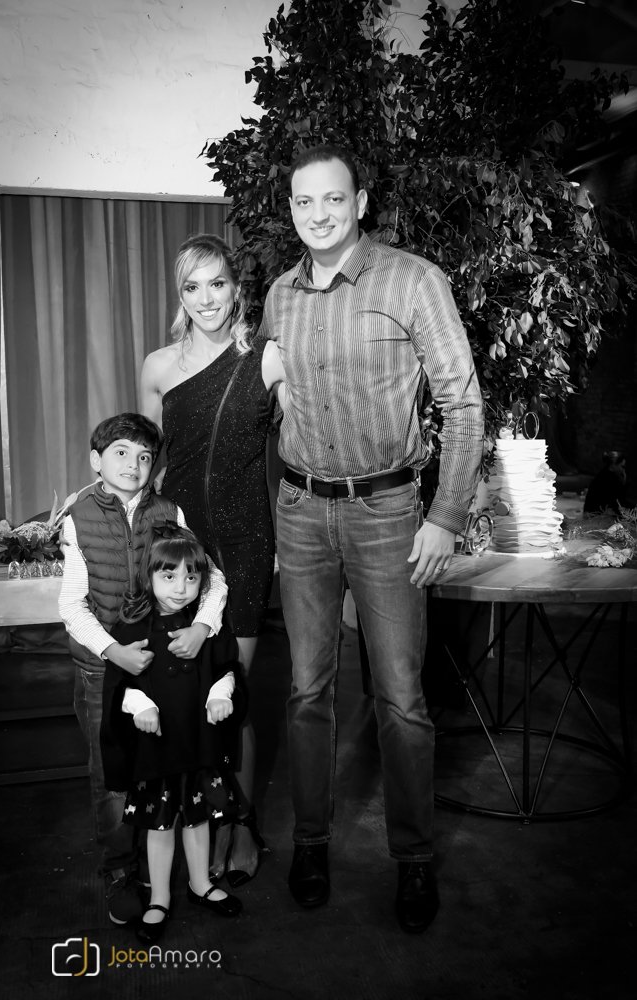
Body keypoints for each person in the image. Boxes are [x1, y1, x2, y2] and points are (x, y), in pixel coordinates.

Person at [259, 145, 484, 934]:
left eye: (332, 198)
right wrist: (271, 383)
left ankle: (413, 857)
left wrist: (444, 516)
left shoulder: (413, 280)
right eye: (303, 201)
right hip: (300, 510)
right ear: (291, 210)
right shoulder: (279, 294)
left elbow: (462, 406)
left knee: (400, 697)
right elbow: (276, 389)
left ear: (359, 202)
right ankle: (310, 844)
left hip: (387, 514)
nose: (317, 214)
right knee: (305, 690)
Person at [140, 234, 274, 887]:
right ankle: (194, 817)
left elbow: (312, 428)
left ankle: (239, 823)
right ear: (180, 296)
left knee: (231, 692)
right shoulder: (159, 367)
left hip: (246, 542)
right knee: (183, 693)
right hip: (183, 550)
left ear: (235, 288)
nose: (206, 298)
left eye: (217, 283)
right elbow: (143, 465)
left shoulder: (265, 359)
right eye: (192, 287)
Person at [58, 413, 228, 926]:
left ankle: (174, 869)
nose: (133, 465)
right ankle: (120, 869)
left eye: (144, 456)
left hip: (163, 670)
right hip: (103, 669)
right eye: (121, 453)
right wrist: (114, 652)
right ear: (96, 460)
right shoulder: (78, 516)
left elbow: (212, 579)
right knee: (113, 773)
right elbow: (72, 605)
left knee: (165, 765)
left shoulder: (168, 510)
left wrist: (202, 627)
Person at [100, 524, 246, 943]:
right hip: (157, 751)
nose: (181, 588)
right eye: (169, 576)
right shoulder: (133, 630)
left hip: (198, 745)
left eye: (191, 577)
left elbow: (226, 667)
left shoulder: (206, 627)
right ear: (149, 576)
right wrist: (139, 704)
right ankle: (160, 897)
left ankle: (200, 884)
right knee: (160, 826)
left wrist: (220, 693)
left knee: (197, 821)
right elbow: (119, 685)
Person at [583, 451, 630, 516]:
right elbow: (618, 503)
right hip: (597, 516)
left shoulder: (604, 474)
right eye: (622, 467)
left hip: (594, 513)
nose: (623, 470)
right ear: (614, 464)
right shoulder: (609, 479)